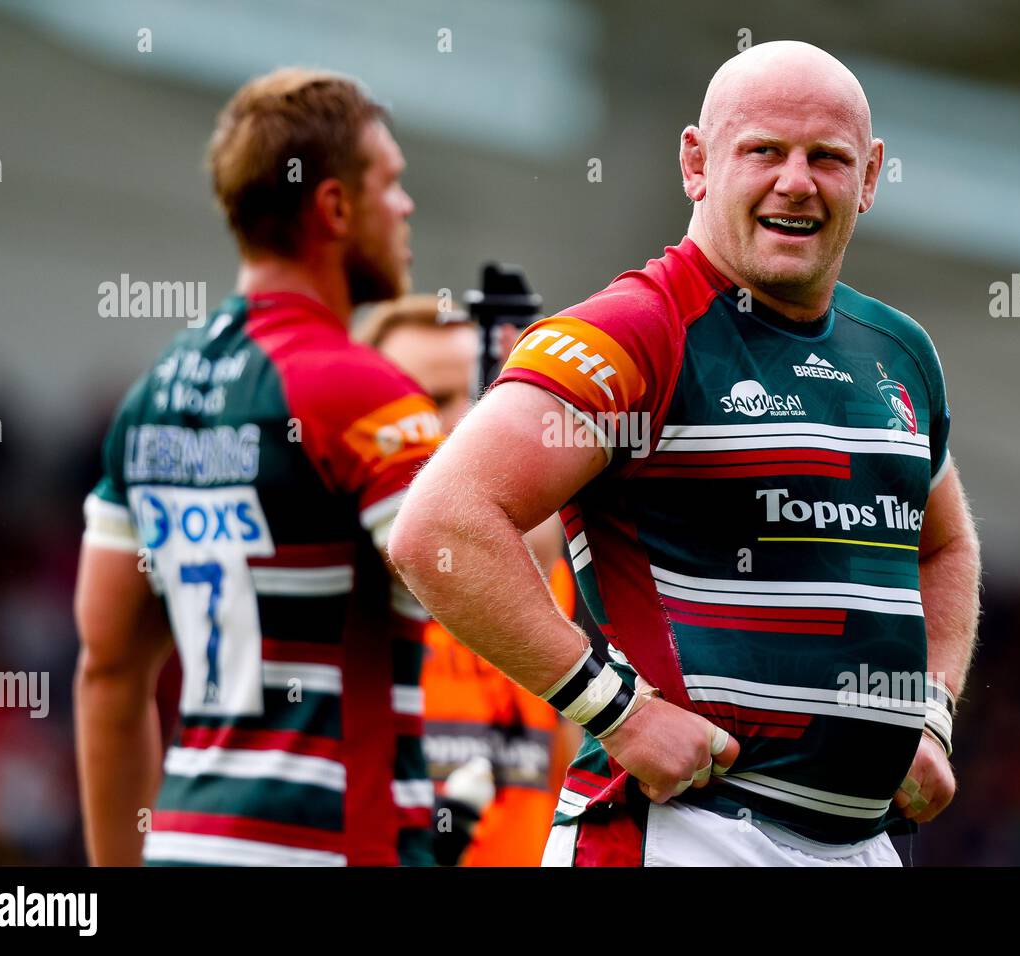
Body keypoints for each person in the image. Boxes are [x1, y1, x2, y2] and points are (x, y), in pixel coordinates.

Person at [388, 41, 981, 866]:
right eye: (764, 151)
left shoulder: (898, 352)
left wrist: (930, 713)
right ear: (697, 163)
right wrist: (621, 714)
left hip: (867, 844)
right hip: (685, 834)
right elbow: (440, 527)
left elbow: (946, 544)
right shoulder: (634, 331)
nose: (797, 182)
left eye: (828, 158)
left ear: (871, 176)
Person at [73, 68, 442, 866]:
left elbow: (106, 671)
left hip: (184, 846)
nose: (407, 207)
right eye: (393, 184)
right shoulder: (358, 390)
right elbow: (475, 580)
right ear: (335, 207)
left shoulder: (150, 397)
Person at [356, 295, 582, 865]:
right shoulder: (347, 571)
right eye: (428, 401)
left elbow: (563, 751)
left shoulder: (546, 567)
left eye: (480, 397)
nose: (461, 423)